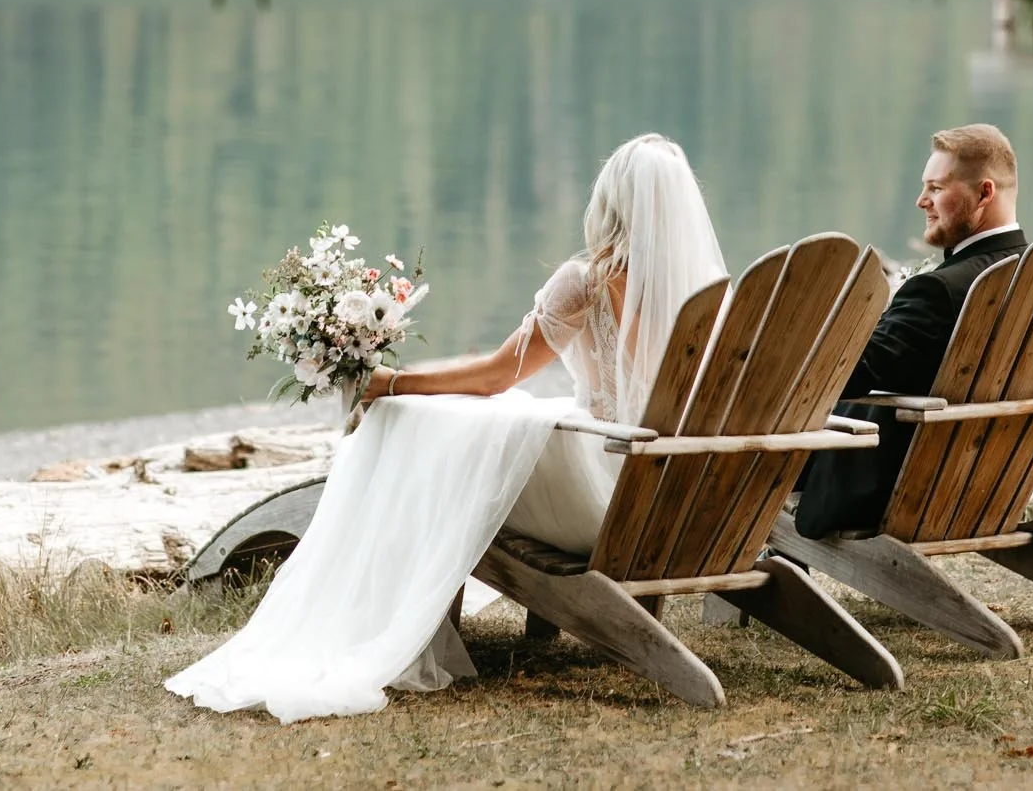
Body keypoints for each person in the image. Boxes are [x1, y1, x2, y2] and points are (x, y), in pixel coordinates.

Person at [164, 133, 727, 723]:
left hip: (608, 504)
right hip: (680, 500)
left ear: (608, 205)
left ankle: (389, 617)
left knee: (438, 438)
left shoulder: (586, 282)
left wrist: (392, 384)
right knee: (488, 429)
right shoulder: (709, 295)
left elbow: (495, 376)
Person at [793, 124, 1026, 539]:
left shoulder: (940, 290)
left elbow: (846, 377)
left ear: (984, 193)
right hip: (989, 483)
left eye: (936, 188)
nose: (922, 201)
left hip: (892, 491)